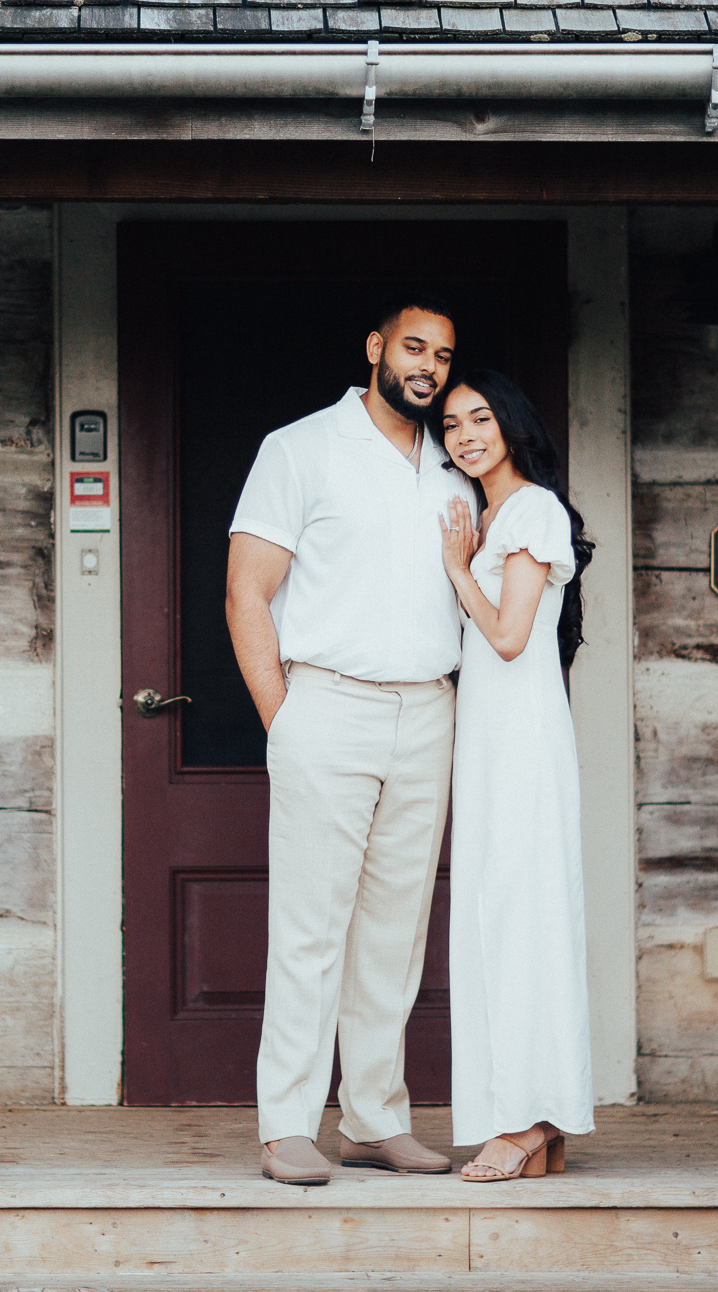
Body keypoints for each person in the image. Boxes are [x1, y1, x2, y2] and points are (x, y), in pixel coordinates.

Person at [226, 296, 476, 1187]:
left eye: (443, 356)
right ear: (375, 346)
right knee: (309, 926)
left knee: (395, 931)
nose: (428, 367)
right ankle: (288, 1123)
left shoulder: (456, 466)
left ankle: (374, 1118)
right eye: (414, 347)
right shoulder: (299, 448)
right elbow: (246, 592)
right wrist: (282, 715)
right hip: (326, 704)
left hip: (428, 709)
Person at [436, 368, 597, 1182]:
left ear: (513, 423)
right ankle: (533, 1121)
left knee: (525, 917)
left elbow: (507, 635)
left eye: (481, 417)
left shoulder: (531, 508)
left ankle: (531, 1117)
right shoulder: (491, 512)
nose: (465, 433)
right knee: (495, 917)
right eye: (453, 422)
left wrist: (460, 567)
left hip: (525, 738)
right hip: (490, 737)